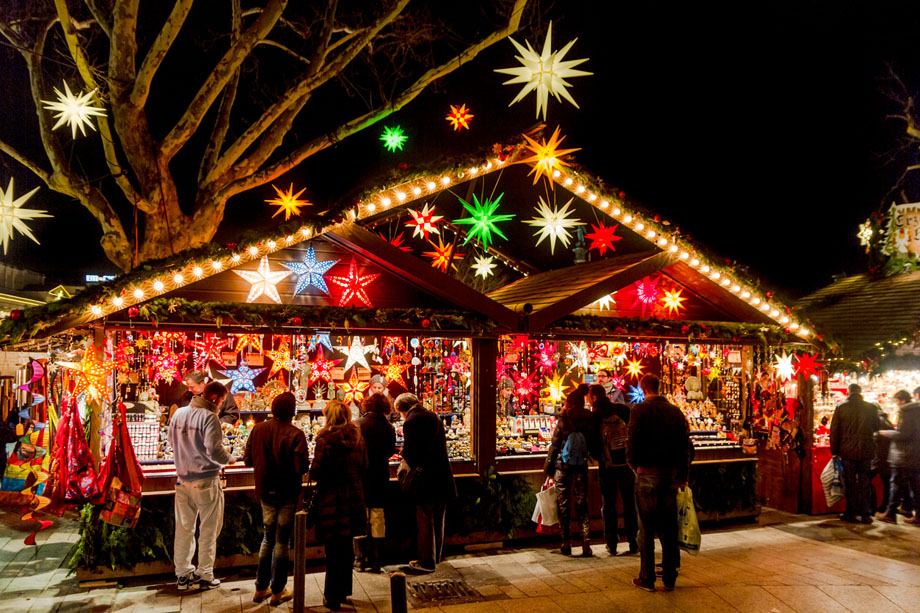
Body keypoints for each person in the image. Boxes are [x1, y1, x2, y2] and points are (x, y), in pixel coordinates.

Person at [167, 381, 236, 592]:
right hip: (206, 479)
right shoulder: (210, 417)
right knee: (208, 528)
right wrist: (230, 459)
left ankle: (183, 574)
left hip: (182, 479)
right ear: (214, 398)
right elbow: (214, 449)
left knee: (184, 528)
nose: (223, 405)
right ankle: (205, 573)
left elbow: (171, 441)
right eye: (223, 401)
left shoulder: (178, 414)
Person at [244, 392, 310, 606]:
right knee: (282, 541)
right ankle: (277, 591)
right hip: (288, 491)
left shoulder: (258, 429)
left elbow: (247, 461)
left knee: (267, 537)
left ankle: (260, 588)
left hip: (265, 490)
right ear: (293, 411)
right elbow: (301, 467)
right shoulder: (296, 434)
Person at [627, 374, 689, 592]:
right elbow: (685, 447)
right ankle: (670, 576)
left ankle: (648, 577)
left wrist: (634, 465)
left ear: (643, 389)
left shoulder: (639, 411)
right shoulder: (675, 412)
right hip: (669, 477)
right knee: (669, 528)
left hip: (646, 475)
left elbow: (632, 443)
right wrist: (682, 475)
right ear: (659, 387)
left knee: (646, 528)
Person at [310, 400, 368, 610]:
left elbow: (316, 472)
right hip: (352, 496)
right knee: (346, 545)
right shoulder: (358, 438)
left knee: (333, 548)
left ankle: (332, 596)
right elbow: (364, 466)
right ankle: (344, 590)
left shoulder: (325, 439)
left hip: (331, 498)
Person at [394, 392, 457, 573]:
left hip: (425, 478)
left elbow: (413, 453)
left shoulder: (411, 421)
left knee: (425, 519)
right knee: (439, 518)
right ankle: (436, 556)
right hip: (442, 475)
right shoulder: (434, 416)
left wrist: (402, 454)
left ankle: (426, 562)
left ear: (403, 409)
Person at [544, 384, 595, 556]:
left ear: (569, 403)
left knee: (563, 504)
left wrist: (548, 467)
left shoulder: (564, 418)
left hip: (563, 466)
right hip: (581, 465)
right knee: (582, 503)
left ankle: (566, 541)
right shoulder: (589, 418)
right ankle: (586, 541)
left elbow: (555, 443)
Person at [589, 383, 637, 556]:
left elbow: (593, 443)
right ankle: (633, 540)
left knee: (608, 505)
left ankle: (612, 543)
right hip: (627, 465)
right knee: (629, 503)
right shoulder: (622, 410)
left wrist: (597, 456)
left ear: (594, 397)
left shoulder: (595, 415)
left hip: (607, 467)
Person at [354, 393, 396, 573]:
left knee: (361, 515)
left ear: (367, 405)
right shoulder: (389, 427)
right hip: (380, 474)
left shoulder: (358, 425)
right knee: (378, 516)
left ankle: (360, 558)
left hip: (361, 475)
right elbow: (389, 451)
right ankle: (377, 558)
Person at [829, 383, 880, 523]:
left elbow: (834, 431)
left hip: (847, 451)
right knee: (865, 482)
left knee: (850, 483)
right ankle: (865, 514)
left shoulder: (841, 407)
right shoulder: (871, 408)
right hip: (866, 450)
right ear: (860, 392)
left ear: (848, 392)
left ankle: (850, 512)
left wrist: (834, 450)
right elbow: (877, 426)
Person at [878, 389, 920, 524]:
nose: (896, 405)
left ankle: (890, 514)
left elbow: (903, 434)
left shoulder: (906, 411)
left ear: (902, 401)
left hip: (903, 454)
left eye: (896, 402)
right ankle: (916, 514)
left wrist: (886, 433)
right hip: (915, 454)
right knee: (914, 486)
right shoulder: (916, 410)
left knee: (895, 484)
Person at [870, 405, 896, 516]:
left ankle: (872, 507)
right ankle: (884, 507)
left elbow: (876, 439)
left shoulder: (877, 421)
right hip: (888, 457)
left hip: (880, 458)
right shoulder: (887, 420)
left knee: (865, 479)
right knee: (887, 484)